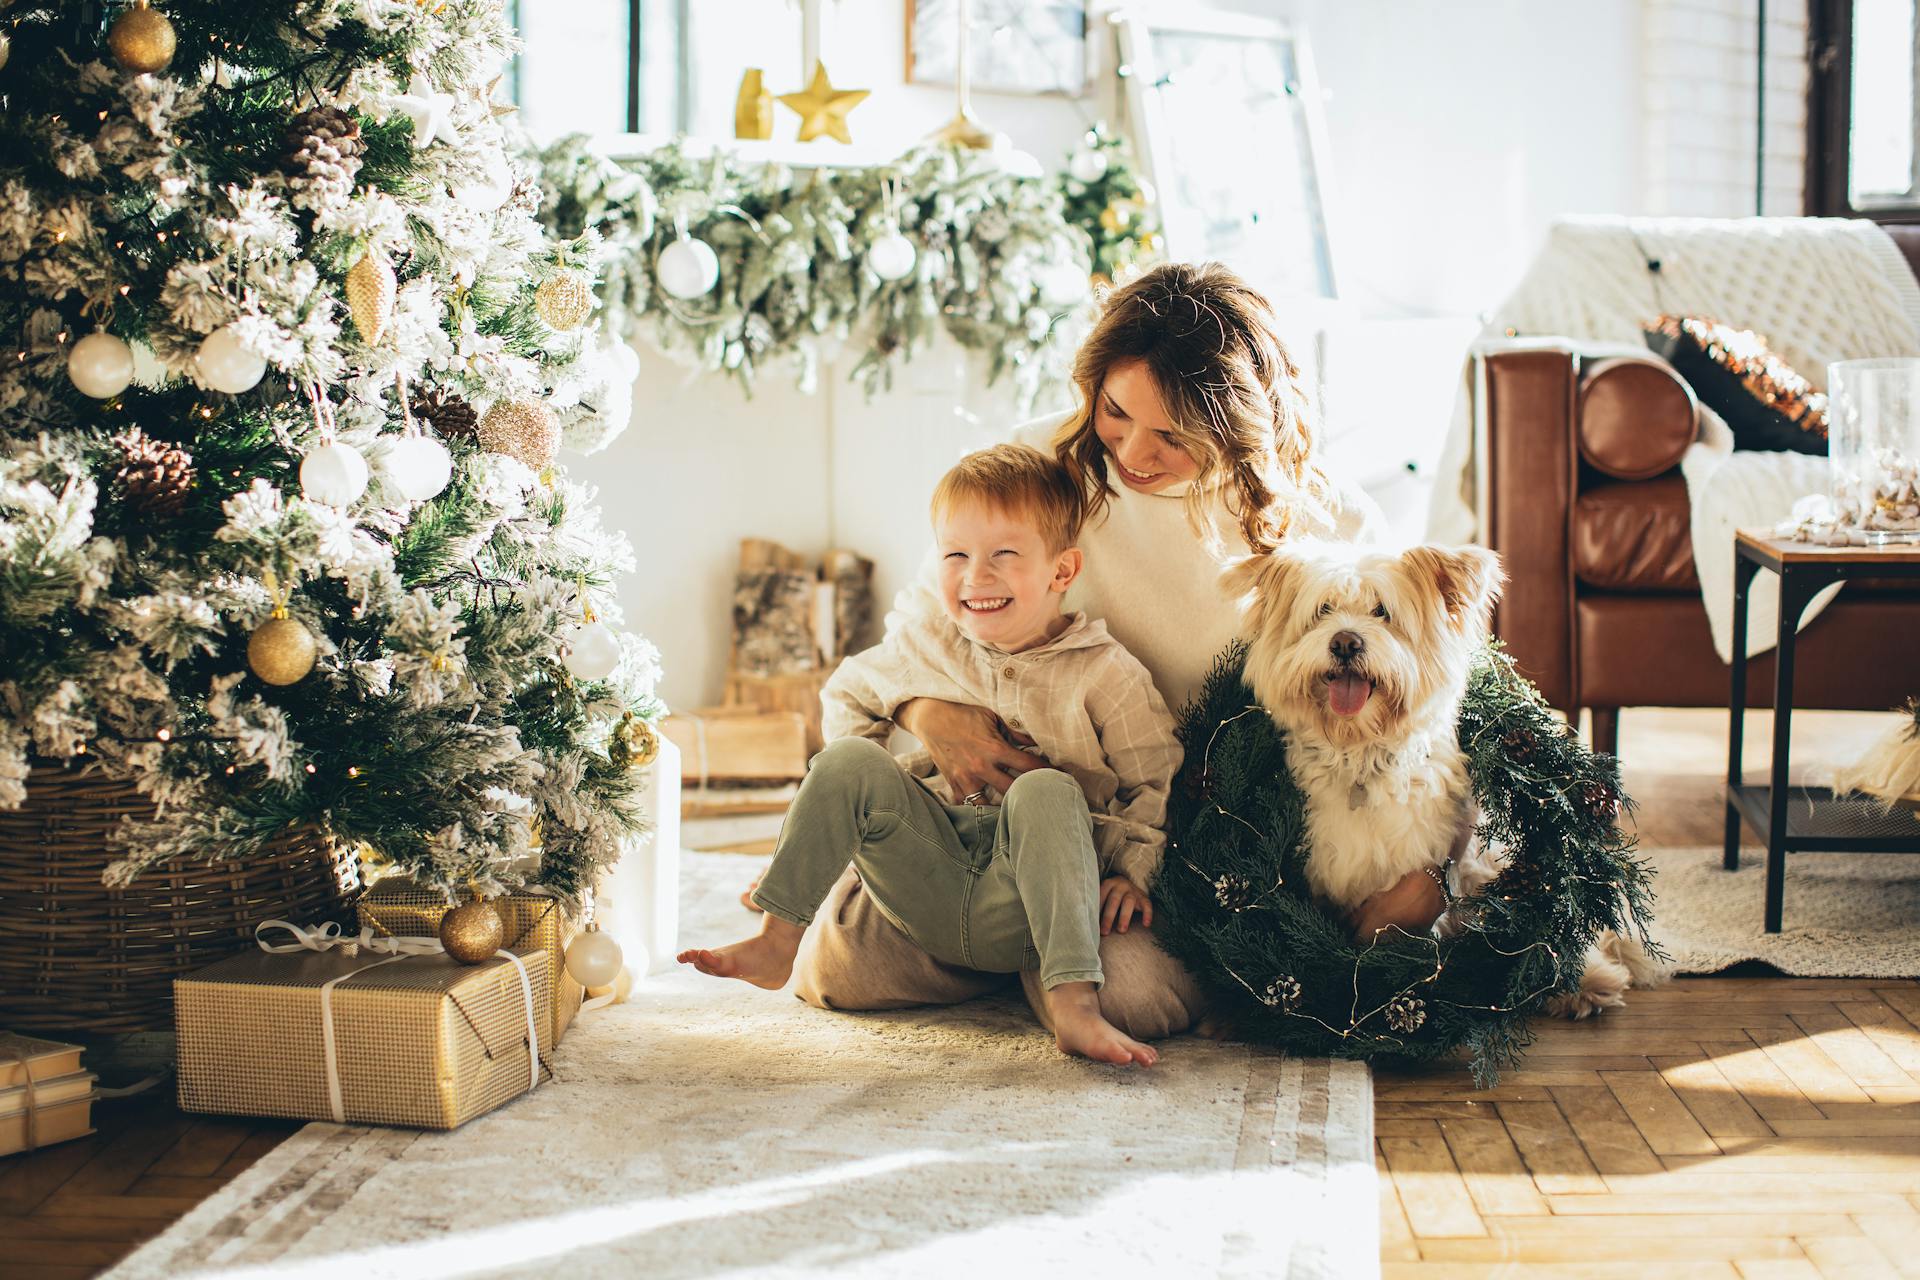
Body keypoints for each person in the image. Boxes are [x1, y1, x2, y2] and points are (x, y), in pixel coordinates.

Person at [784, 261, 1448, 1039]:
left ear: (1239, 425)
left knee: (1133, 998)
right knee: (834, 974)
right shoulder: (1041, 463)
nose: (1134, 450)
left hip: (1160, 838)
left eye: (1174, 434)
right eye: (1115, 412)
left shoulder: (1323, 521)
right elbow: (922, 623)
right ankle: (1013, 936)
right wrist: (927, 712)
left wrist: (1430, 872)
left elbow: (1422, 683)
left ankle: (1040, 952)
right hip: (993, 819)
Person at [681, 444, 1181, 1067]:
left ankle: (1073, 1006)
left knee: (1047, 790)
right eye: (956, 555)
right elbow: (846, 697)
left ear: (1062, 571)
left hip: (1035, 892)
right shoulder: (926, 645)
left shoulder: (1103, 671)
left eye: (1004, 554)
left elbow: (1154, 776)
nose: (977, 576)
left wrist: (1132, 871)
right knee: (845, 764)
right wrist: (850, 822)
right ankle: (776, 938)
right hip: (933, 865)